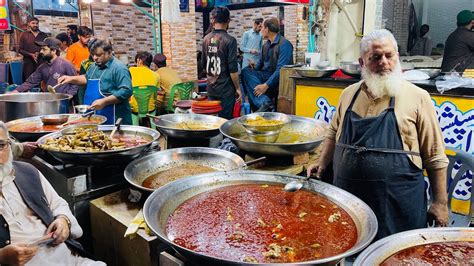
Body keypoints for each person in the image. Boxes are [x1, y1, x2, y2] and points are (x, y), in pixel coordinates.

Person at [307, 29, 449, 240]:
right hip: (349, 200)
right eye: (375, 57)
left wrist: (440, 203)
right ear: (362, 62)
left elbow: (435, 156)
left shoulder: (418, 97)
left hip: (397, 206)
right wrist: (322, 162)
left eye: (389, 55)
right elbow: (333, 132)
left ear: (397, 57)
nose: (384, 62)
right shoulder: (349, 94)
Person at [0, 122, 105, 265]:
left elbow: (58, 204)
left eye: (1, 146)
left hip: (70, 259)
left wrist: (64, 220)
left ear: (9, 146)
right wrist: (2, 257)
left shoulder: (27, 171)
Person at [58, 39, 133, 125]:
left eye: (98, 55)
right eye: (93, 55)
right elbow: (87, 78)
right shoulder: (94, 66)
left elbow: (126, 91)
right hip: (96, 116)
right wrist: (71, 79)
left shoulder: (119, 68)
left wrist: (104, 101)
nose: (94, 58)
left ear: (109, 52)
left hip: (115, 118)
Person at [241, 17, 293, 112]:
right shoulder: (266, 45)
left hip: (277, 79)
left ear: (267, 29)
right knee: (245, 71)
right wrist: (253, 66)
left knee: (253, 86)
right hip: (265, 75)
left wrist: (266, 85)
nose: (261, 30)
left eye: (262, 28)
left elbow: (280, 70)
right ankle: (265, 103)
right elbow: (259, 66)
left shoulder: (284, 44)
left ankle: (264, 105)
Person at [201, 7, 241, 119]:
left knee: (212, 120)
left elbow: (203, 64)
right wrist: (238, 88)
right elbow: (233, 69)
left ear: (212, 20)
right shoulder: (230, 40)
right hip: (226, 90)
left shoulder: (206, 39)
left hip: (211, 88)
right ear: (228, 21)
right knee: (225, 121)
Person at [8, 37, 78, 96]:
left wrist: (69, 96)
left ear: (53, 51)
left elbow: (75, 83)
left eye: (44, 49)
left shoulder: (66, 64)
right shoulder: (42, 67)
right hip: (49, 100)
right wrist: (15, 91)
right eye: (41, 49)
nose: (41, 52)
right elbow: (30, 82)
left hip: (64, 101)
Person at [129, 51, 160, 118]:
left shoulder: (131, 70)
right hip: (151, 109)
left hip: (134, 109)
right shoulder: (156, 75)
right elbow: (156, 94)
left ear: (139, 60)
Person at [18, 17, 48, 81]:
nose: (35, 25)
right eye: (33, 23)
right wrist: (30, 54)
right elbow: (20, 49)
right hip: (28, 64)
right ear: (29, 24)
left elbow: (48, 48)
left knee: (42, 82)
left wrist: (40, 53)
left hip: (41, 62)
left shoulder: (44, 35)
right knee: (29, 81)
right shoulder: (24, 35)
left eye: (37, 23)